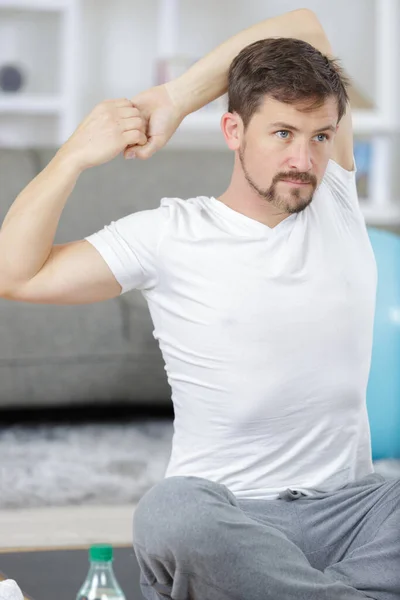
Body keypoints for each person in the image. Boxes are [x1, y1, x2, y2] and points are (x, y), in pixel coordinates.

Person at [0, 7, 398, 600]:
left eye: (319, 137)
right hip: (229, 521)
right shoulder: (168, 233)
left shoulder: (333, 195)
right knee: (171, 514)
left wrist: (174, 96)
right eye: (282, 133)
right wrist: (74, 156)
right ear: (234, 131)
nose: (304, 159)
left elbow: (306, 28)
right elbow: (17, 274)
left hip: (351, 515)